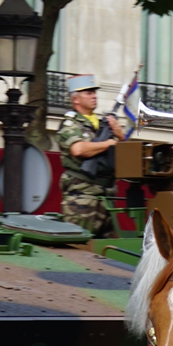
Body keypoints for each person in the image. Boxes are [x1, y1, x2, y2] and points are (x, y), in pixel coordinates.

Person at [54, 75, 122, 236]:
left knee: (108, 252)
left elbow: (121, 152)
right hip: (82, 198)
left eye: (94, 93)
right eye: (88, 93)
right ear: (76, 99)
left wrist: (119, 134)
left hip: (106, 196)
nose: (94, 96)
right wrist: (108, 143)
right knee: (80, 246)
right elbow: (78, 149)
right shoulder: (71, 124)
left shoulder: (100, 124)